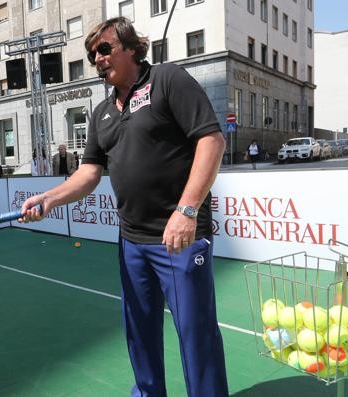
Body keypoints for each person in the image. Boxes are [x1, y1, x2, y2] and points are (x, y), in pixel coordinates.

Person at [20, 17, 228, 396]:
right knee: (139, 332)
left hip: (179, 239)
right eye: (91, 54)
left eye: (104, 49)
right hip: (132, 242)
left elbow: (211, 141)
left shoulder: (168, 80)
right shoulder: (101, 113)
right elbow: (87, 173)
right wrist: (49, 198)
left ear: (132, 48)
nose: (97, 59)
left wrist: (186, 212)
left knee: (196, 337)